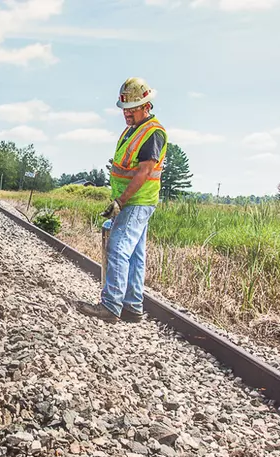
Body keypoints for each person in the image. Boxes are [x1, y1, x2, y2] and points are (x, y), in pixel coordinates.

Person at [77, 77, 167, 323]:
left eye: (132, 109)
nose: (127, 113)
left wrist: (121, 201)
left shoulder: (152, 132)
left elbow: (145, 171)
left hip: (137, 200)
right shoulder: (133, 130)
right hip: (134, 200)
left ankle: (111, 305)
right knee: (134, 254)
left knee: (117, 248)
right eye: (124, 109)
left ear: (146, 106)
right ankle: (132, 306)